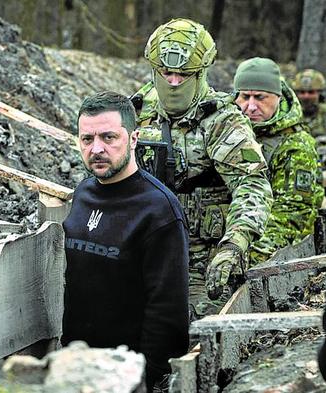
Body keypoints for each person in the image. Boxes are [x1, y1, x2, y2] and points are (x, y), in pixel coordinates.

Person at [133, 18, 273, 309]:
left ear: (199, 74)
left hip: (203, 262)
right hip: (144, 253)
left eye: (182, 75)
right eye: (166, 73)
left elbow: (252, 185)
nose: (173, 82)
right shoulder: (137, 112)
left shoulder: (222, 121)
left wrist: (234, 244)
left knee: (198, 333)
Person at [62, 91, 189, 392]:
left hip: (129, 377)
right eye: (87, 139)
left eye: (109, 137)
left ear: (134, 139)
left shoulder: (158, 210)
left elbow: (168, 309)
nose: (97, 149)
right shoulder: (82, 194)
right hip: (77, 368)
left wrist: (147, 378)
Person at [233, 58, 324, 264]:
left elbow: (293, 214)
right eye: (245, 97)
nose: (251, 106)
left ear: (278, 97)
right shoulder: (227, 133)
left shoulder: (296, 144)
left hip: (274, 251)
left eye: (260, 97)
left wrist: (248, 257)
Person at [292, 69, 326, 139]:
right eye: (302, 92)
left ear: (320, 93)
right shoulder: (290, 115)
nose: (306, 96)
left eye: (311, 92)